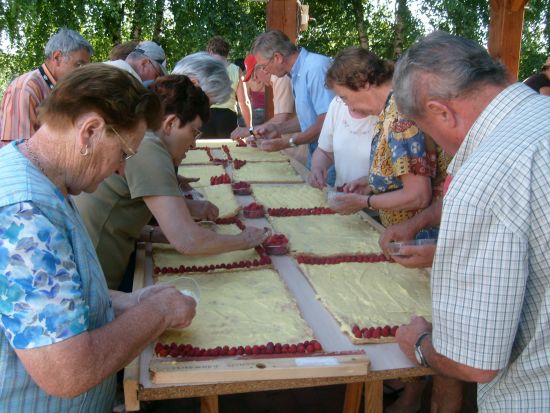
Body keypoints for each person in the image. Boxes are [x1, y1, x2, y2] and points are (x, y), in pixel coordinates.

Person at [0, 64, 196, 412]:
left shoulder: (38, 175)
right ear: (90, 131)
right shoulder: (26, 214)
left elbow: (55, 302)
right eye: (124, 153)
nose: (122, 168)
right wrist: (158, 311)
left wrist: (130, 302)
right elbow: (68, 373)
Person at [393, 31, 550, 412]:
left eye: (429, 131)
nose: (441, 146)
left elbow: (471, 363)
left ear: (442, 112)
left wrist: (420, 343)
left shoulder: (485, 173)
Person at [75, 75, 270, 290]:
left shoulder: (145, 139)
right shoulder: (149, 147)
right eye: (193, 132)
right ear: (170, 123)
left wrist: (166, 230)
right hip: (99, 281)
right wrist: (244, 240)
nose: (193, 144)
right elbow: (188, 240)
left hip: (99, 268)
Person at [324, 47, 449, 229]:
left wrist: (364, 201)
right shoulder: (391, 107)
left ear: (362, 82)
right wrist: (371, 182)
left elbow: (418, 195)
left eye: (345, 97)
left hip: (418, 232)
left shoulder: (400, 116)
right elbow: (407, 172)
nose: (349, 107)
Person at [250, 30, 336, 184]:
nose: (265, 71)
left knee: (324, 197)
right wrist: (278, 129)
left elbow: (326, 122)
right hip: (317, 151)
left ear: (277, 57)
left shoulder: (315, 68)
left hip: (330, 155)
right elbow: (308, 119)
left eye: (263, 66)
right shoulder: (298, 72)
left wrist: (288, 142)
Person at [0, 28, 93, 147]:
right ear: (57, 57)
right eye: (79, 65)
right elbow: (17, 149)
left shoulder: (64, 88)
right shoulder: (25, 88)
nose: (83, 73)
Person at [308, 95, 378, 189]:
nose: (345, 103)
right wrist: (317, 167)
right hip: (343, 195)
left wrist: (371, 183)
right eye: (342, 97)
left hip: (377, 197)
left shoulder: (390, 111)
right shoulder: (338, 104)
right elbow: (325, 151)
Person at [230, 54, 295, 139]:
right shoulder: (276, 80)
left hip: (297, 141)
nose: (257, 82)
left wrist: (250, 131)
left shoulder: (281, 79)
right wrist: (258, 135)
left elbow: (281, 119)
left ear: (263, 69)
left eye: (255, 76)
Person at [200, 36, 252, 138]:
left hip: (206, 115)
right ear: (227, 54)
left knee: (204, 147)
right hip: (228, 117)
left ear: (210, 51)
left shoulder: (202, 68)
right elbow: (244, 102)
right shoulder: (236, 70)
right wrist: (250, 129)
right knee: (228, 148)